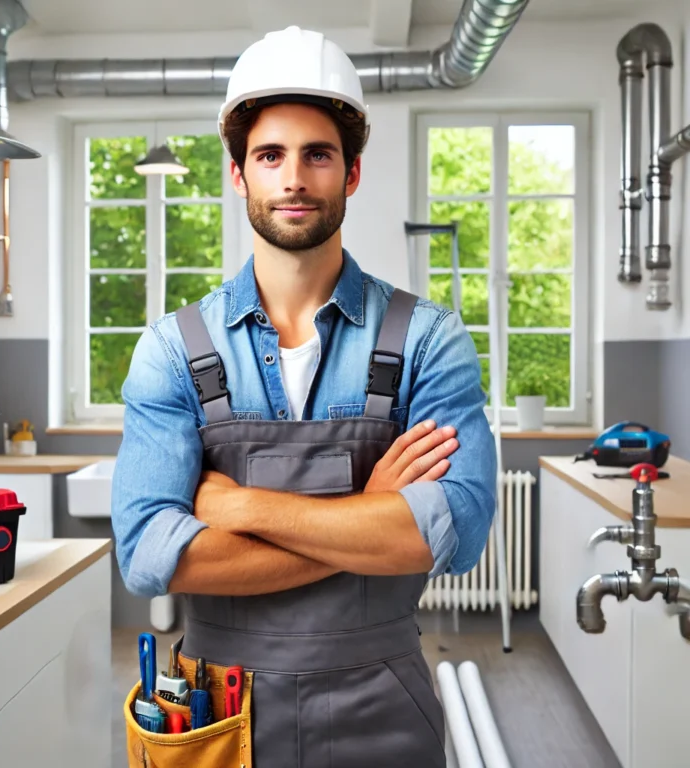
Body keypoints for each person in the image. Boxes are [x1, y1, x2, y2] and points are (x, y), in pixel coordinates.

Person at [112, 25, 496, 768]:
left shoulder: (427, 340)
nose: (294, 178)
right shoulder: (172, 350)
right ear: (238, 175)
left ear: (351, 174)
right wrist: (366, 517)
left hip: (382, 702)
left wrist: (240, 507)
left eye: (317, 154)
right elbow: (152, 556)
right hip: (214, 711)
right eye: (270, 156)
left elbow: (451, 534)